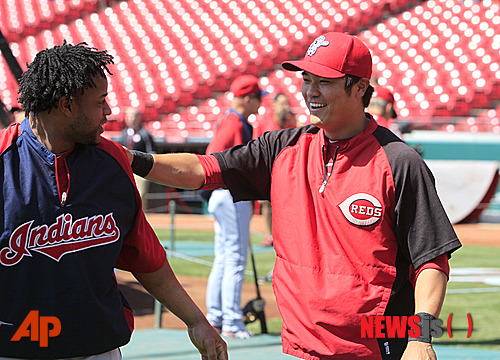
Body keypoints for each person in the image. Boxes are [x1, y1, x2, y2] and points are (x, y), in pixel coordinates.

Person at [127, 32, 461, 360]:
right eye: (306, 79)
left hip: (375, 348)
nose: (310, 92)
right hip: (303, 346)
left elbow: (431, 258)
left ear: (360, 87)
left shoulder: (400, 161)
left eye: (324, 82)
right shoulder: (281, 147)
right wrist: (129, 159)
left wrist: (420, 337)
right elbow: (202, 170)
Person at [0, 41, 227, 360]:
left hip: (97, 347)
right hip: (14, 348)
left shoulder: (112, 162)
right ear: (67, 105)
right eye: (100, 102)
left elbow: (146, 258)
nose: (108, 112)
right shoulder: (4, 160)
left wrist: (196, 321)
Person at [203, 75, 267, 339]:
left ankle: (216, 317)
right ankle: (231, 321)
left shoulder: (233, 120)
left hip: (224, 195)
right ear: (248, 98)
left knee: (224, 257)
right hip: (229, 195)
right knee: (235, 259)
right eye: (258, 97)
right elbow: (212, 156)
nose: (260, 102)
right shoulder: (234, 122)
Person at [253, 93, 297, 247]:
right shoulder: (265, 120)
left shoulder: (290, 120)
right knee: (267, 205)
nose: (285, 106)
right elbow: (254, 146)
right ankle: (269, 235)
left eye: (287, 103)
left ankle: (287, 236)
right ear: (274, 105)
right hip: (267, 169)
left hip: (286, 169)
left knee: (287, 204)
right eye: (282, 103)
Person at [118, 107, 157, 210]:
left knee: (140, 194)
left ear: (139, 117)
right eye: (128, 116)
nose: (131, 119)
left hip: (140, 171)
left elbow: (152, 152)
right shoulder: (124, 133)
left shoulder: (145, 134)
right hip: (126, 170)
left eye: (133, 116)